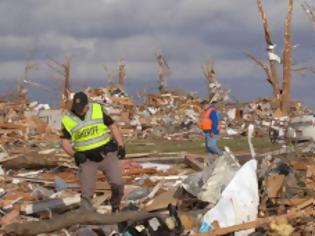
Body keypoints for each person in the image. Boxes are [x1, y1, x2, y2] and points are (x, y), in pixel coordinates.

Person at [61, 91, 125, 212]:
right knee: (87, 192)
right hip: (86, 159)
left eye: (82, 108)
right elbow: (64, 143)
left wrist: (121, 145)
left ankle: (115, 205)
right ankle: (86, 217)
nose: (79, 111)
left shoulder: (97, 110)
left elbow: (112, 126)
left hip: (106, 154)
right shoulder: (67, 119)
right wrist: (75, 155)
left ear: (87, 105)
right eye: (77, 108)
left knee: (118, 183)